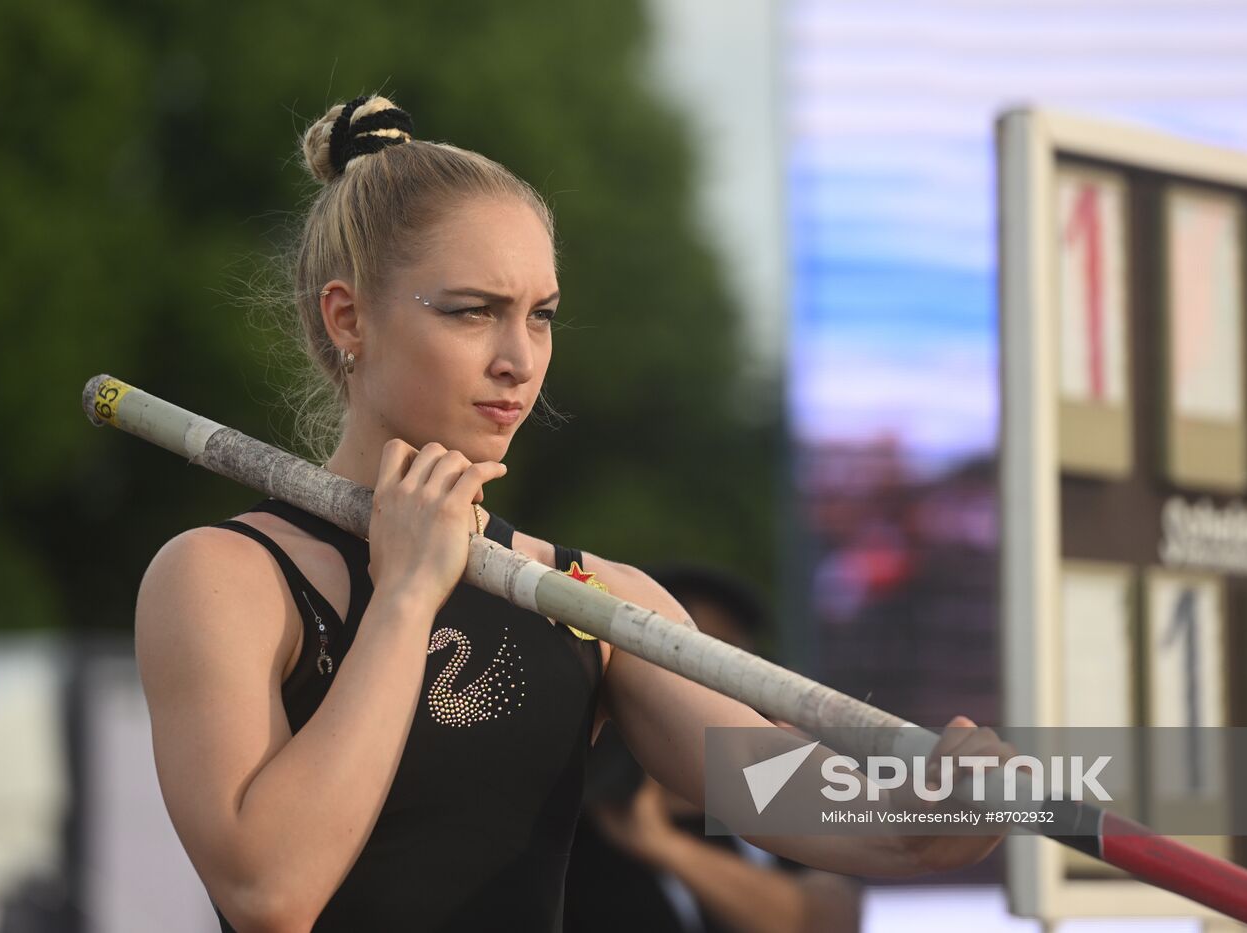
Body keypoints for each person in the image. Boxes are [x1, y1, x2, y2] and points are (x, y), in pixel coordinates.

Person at [133, 93, 1012, 933]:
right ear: (348, 317)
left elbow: (830, 810)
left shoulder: (587, 596)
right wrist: (405, 594)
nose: (517, 358)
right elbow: (270, 890)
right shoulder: (226, 578)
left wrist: (938, 804)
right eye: (473, 312)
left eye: (540, 316)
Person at [565, 565, 862, 933]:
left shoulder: (771, 807)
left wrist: (664, 845)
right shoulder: (575, 822)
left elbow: (830, 919)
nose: (725, 691)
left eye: (739, 666)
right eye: (699, 661)